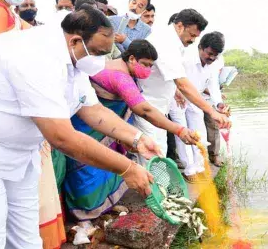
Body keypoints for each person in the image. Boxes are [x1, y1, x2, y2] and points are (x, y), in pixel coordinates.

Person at [0, 6, 160, 248]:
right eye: (97, 52)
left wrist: (136, 138)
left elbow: (92, 109)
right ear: (75, 40)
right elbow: (62, 138)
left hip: (15, 152)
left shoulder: (75, 59)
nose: (101, 60)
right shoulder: (37, 55)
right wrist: (127, 168)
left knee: (26, 235)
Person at [61, 39, 199, 224]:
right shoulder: (120, 77)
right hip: (88, 128)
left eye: (151, 66)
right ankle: (85, 216)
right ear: (132, 58)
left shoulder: (126, 70)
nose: (148, 70)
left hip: (109, 129)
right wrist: (179, 130)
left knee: (110, 168)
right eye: (145, 64)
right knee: (89, 170)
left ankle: (105, 208)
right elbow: (144, 110)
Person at [135, 9, 230, 161]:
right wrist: (212, 112)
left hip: (160, 107)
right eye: (192, 35)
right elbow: (183, 83)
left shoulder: (176, 44)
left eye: (196, 37)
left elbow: (176, 80)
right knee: (152, 155)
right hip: (148, 105)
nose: (193, 40)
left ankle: (159, 183)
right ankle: (153, 183)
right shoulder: (165, 42)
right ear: (180, 26)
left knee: (159, 152)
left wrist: (176, 89)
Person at [169, 32, 228, 181]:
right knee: (183, 132)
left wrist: (219, 103)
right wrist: (176, 90)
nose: (212, 58)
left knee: (199, 132)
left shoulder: (213, 63)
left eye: (215, 55)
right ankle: (189, 170)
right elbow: (172, 75)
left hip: (196, 99)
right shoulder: (186, 57)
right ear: (200, 47)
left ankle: (200, 166)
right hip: (178, 99)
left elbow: (213, 84)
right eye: (209, 54)